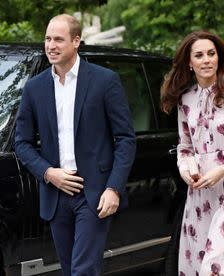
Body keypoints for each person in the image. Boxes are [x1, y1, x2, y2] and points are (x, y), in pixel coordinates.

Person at [14, 14, 136, 276]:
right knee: (70, 270)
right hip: (56, 195)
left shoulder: (105, 81)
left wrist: (113, 187)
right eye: (47, 39)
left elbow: (125, 138)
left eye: (59, 39)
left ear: (76, 41)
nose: (51, 45)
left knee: (83, 271)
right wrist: (48, 173)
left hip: (93, 194)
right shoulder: (34, 88)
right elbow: (22, 142)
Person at [160, 31, 224, 276]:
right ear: (190, 62)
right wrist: (187, 171)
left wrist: (223, 169)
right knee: (199, 264)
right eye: (199, 55)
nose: (206, 60)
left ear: (219, 58)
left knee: (219, 267)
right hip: (200, 196)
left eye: (211, 54)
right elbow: (185, 147)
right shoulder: (185, 100)